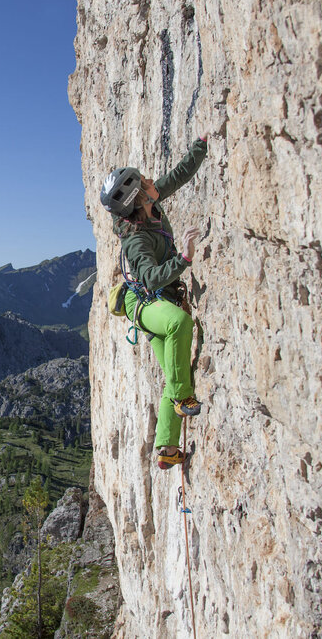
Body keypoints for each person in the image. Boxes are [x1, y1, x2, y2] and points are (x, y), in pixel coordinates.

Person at [100, 137, 208, 470]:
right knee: (179, 324)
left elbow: (177, 177)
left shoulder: (148, 205)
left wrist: (201, 146)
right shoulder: (136, 238)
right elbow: (149, 278)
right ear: (138, 196)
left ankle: (167, 448)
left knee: (175, 371)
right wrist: (185, 258)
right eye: (145, 181)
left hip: (154, 300)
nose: (151, 181)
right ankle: (182, 399)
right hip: (145, 303)